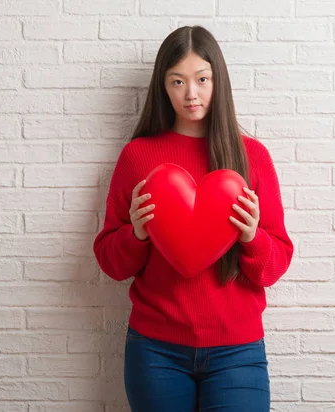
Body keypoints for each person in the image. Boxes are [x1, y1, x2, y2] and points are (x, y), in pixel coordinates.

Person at [93, 25, 294, 412]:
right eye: (177, 81)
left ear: (218, 81)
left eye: (202, 79)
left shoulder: (253, 157)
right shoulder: (138, 156)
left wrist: (252, 237)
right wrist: (135, 234)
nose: (191, 93)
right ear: (163, 87)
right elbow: (109, 262)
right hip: (155, 351)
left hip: (237, 352)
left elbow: (274, 266)